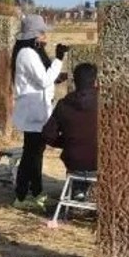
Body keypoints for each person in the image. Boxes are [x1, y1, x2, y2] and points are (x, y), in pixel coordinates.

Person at [11, 14, 68, 211]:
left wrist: (57, 77)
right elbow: (43, 80)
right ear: (35, 35)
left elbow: (42, 79)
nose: (46, 36)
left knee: (35, 155)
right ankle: (21, 195)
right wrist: (59, 59)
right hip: (32, 112)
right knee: (31, 156)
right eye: (43, 33)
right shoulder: (27, 53)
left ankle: (36, 193)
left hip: (38, 111)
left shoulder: (33, 52)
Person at [42, 62, 98, 200]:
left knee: (78, 159)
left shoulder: (63, 104)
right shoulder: (106, 103)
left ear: (74, 82)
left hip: (74, 161)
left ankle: (77, 190)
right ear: (96, 81)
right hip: (99, 161)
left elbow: (47, 134)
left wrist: (68, 141)